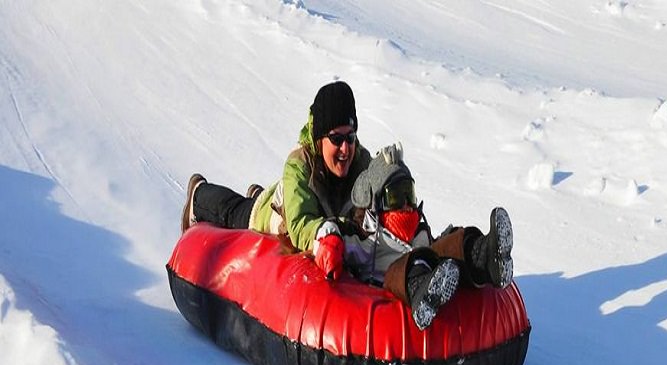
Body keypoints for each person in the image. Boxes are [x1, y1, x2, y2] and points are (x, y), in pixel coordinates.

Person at [180, 81, 372, 277]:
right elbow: (299, 223)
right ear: (319, 139)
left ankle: (257, 193)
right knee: (234, 212)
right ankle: (199, 196)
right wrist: (323, 234)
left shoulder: (362, 163)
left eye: (350, 137)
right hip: (273, 218)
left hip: (286, 200)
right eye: (336, 139)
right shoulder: (299, 164)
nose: (345, 149)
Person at [342, 144, 514, 330]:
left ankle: (486, 256)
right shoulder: (366, 240)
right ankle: (423, 292)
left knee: (448, 244)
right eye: (396, 197)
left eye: (409, 194)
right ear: (376, 204)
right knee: (409, 265)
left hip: (428, 266)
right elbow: (333, 235)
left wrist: (455, 243)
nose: (406, 204)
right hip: (389, 292)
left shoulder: (419, 231)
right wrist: (329, 239)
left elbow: (438, 250)